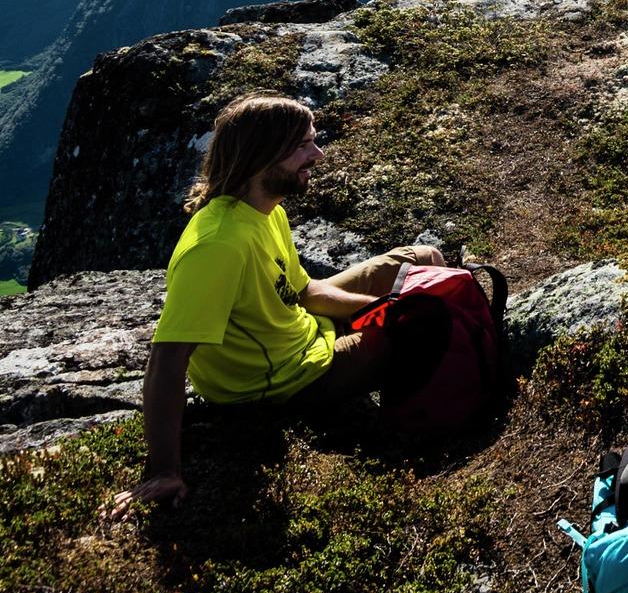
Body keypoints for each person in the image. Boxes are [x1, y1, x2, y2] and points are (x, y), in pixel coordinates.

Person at [107, 94, 441, 514]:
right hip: (282, 382)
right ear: (262, 155)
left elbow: (303, 292)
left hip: (302, 333)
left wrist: (382, 305)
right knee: (427, 324)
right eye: (303, 145)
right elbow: (168, 358)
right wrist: (163, 470)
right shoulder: (218, 246)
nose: (317, 155)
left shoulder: (264, 210)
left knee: (424, 263)